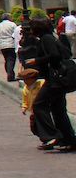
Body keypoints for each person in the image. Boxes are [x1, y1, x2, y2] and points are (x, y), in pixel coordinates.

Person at [25, 18, 76, 150]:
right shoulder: (50, 38)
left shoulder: (46, 39)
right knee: (57, 109)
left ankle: (52, 135)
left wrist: (36, 60)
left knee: (39, 104)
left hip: (57, 80)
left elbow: (55, 55)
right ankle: (68, 140)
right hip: (58, 79)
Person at [18, 67, 55, 149]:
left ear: (32, 79)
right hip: (33, 111)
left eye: (26, 79)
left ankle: (48, 140)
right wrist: (24, 107)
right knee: (34, 128)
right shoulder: (25, 89)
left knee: (44, 124)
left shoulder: (41, 84)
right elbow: (25, 100)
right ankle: (45, 139)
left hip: (42, 109)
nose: (24, 82)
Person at [0, 13, 17, 81]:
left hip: (2, 45)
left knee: (7, 59)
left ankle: (9, 73)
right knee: (11, 59)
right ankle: (10, 74)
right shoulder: (12, 24)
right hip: (11, 44)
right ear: (8, 17)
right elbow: (16, 34)